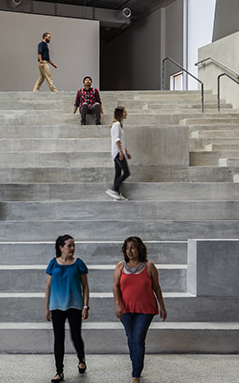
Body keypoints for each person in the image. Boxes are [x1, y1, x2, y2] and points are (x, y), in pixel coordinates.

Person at [112, 235, 166, 383]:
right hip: (125, 310)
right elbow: (116, 287)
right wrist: (117, 305)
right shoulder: (120, 266)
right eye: (127, 248)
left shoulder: (149, 266)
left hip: (145, 309)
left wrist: (162, 306)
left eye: (133, 248)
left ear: (140, 249)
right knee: (131, 339)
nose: (130, 251)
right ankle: (137, 363)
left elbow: (156, 287)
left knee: (138, 339)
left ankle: (135, 374)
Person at [45, 233, 90, 382]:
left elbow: (85, 286)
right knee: (59, 338)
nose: (72, 248)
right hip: (56, 306)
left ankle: (81, 358)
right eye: (69, 245)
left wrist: (85, 306)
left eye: (73, 245)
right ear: (61, 247)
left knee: (75, 336)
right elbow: (48, 286)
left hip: (74, 305)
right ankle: (59, 371)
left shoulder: (78, 263)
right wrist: (47, 308)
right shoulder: (53, 263)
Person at [107, 106, 130, 200]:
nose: (126, 113)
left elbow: (120, 140)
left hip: (117, 152)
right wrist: (121, 151)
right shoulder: (116, 124)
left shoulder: (117, 124)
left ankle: (116, 195)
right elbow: (117, 139)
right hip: (117, 152)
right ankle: (113, 189)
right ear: (120, 113)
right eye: (124, 112)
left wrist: (126, 151)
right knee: (126, 173)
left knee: (118, 174)